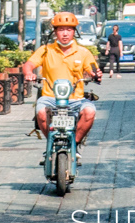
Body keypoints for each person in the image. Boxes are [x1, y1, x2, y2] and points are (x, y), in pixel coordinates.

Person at [26, 11, 102, 153]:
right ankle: (51, 144)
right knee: (41, 113)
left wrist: (95, 74)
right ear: (55, 32)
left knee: (90, 112)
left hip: (76, 99)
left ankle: (74, 144)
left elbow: (92, 69)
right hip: (50, 98)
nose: (65, 34)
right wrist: (29, 73)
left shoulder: (83, 52)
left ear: (74, 32)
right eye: (61, 30)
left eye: (69, 29)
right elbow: (29, 64)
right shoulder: (45, 50)